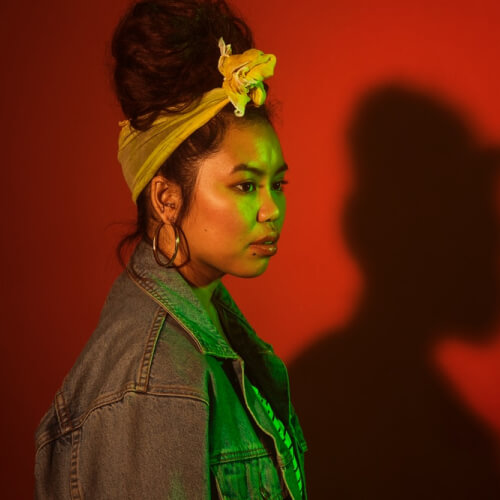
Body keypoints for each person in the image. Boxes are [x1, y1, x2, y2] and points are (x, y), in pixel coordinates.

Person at [34, 0, 307, 498]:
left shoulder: (209, 330)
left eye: (278, 184)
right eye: (246, 186)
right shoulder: (156, 378)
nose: (271, 209)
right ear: (166, 199)